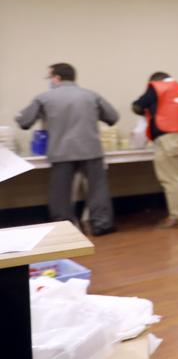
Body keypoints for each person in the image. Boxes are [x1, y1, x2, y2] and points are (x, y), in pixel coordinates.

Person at [15, 63, 119, 235]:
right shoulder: (91, 95)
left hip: (61, 152)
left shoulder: (44, 98)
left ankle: (64, 229)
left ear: (56, 78)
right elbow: (112, 117)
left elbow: (24, 122)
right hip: (91, 150)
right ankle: (102, 225)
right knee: (97, 189)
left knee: (60, 194)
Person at [132, 72, 178, 227]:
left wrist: (146, 111)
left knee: (171, 177)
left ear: (155, 81)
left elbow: (137, 105)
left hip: (169, 138)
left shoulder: (157, 87)